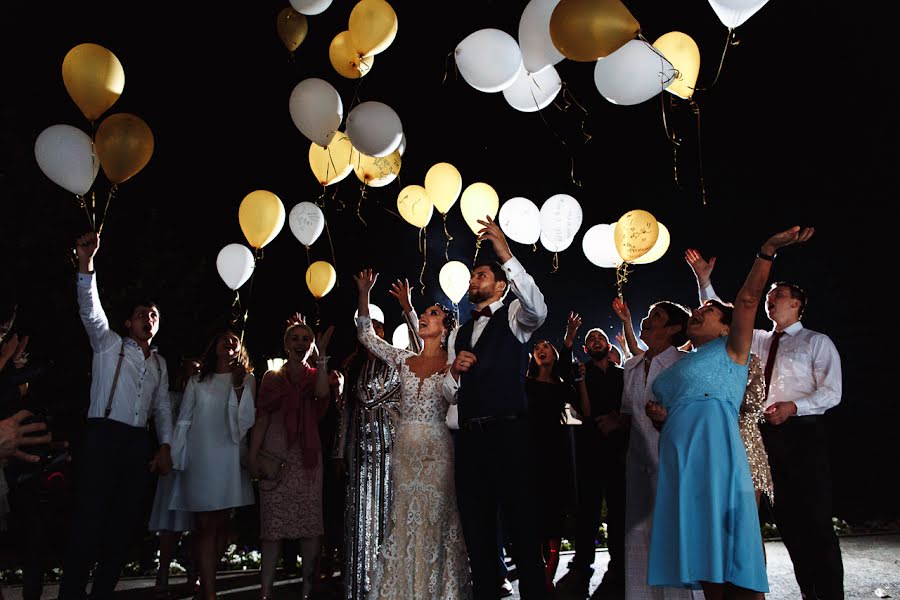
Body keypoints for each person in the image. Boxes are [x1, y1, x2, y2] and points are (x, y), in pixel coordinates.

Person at [646, 226, 814, 599]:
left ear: (727, 329)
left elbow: (749, 299)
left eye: (708, 311)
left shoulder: (732, 352)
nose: (698, 311)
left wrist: (767, 250)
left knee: (733, 542)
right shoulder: (677, 364)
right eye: (698, 308)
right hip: (680, 456)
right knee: (701, 549)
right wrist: (661, 418)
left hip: (718, 447)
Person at [686, 243, 842, 598]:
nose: (770, 298)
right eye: (769, 294)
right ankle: (808, 592)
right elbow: (728, 318)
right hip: (763, 439)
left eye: (779, 294)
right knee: (788, 527)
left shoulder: (817, 342)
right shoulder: (757, 339)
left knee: (816, 523)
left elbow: (832, 392)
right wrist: (704, 282)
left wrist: (794, 406)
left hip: (803, 435)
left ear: (797, 303)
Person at [59, 231, 174, 600]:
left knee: (122, 526)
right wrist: (86, 263)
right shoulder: (108, 345)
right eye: (141, 314)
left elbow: (161, 408)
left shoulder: (159, 363)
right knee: (88, 522)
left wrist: (166, 444)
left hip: (136, 442)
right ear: (128, 323)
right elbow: (90, 310)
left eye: (153, 315)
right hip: (102, 436)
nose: (148, 318)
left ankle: (103, 593)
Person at [443, 215, 549, 600]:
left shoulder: (515, 316)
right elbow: (449, 394)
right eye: (473, 276)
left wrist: (504, 251)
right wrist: (453, 373)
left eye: (481, 276)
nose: (473, 281)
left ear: (501, 284)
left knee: (522, 525)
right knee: (477, 526)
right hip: (470, 440)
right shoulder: (458, 332)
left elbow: (538, 309)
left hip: (509, 434)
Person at [354, 268, 471, 599]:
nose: (424, 316)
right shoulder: (404, 360)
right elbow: (367, 338)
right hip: (405, 450)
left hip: (437, 449)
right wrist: (364, 293)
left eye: (432, 314)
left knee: (437, 518)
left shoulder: (451, 365)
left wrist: (409, 307)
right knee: (406, 518)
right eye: (422, 313)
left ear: (447, 328)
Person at [334, 279, 421, 600]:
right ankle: (363, 586)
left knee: (393, 514)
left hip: (395, 448)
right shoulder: (353, 366)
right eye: (373, 327)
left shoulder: (401, 359)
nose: (376, 332)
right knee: (362, 517)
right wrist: (338, 454)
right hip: (360, 454)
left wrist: (407, 307)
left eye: (381, 327)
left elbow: (420, 343)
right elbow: (344, 413)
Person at [611, 296, 696, 600]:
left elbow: (698, 416)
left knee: (673, 537)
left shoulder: (686, 365)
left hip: (674, 465)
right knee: (639, 538)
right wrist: (612, 421)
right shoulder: (632, 366)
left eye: (656, 316)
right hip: (637, 463)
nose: (647, 320)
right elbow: (627, 414)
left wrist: (668, 416)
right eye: (647, 314)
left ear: (673, 328)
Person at [247, 318, 335, 600]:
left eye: (305, 339)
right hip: (276, 454)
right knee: (272, 528)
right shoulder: (272, 378)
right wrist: (252, 454)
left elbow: (322, 393)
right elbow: (261, 418)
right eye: (295, 339)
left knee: (309, 526)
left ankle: (307, 589)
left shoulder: (314, 376)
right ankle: (265, 592)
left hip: (307, 457)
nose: (300, 343)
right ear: (286, 345)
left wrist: (321, 356)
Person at [169, 331, 256, 600]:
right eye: (224, 339)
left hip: (229, 456)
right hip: (201, 457)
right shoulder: (197, 380)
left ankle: (206, 578)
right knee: (205, 525)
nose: (229, 343)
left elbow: (246, 422)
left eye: (235, 340)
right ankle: (209, 592)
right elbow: (184, 419)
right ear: (215, 345)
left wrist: (240, 386)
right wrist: (176, 456)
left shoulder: (248, 379)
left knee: (223, 526)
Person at [558, 312, 626, 599]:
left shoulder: (623, 375)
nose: (596, 341)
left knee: (620, 507)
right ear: (585, 349)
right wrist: (570, 337)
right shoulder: (579, 373)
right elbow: (561, 371)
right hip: (589, 448)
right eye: (591, 340)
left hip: (620, 447)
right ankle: (583, 560)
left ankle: (620, 560)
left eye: (600, 337)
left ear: (609, 346)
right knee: (588, 508)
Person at [524, 338, 578, 594]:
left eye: (545, 347)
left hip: (556, 452)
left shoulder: (563, 386)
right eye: (536, 349)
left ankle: (550, 570)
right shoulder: (525, 385)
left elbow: (584, 411)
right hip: (531, 451)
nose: (540, 350)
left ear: (554, 355)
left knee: (554, 513)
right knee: (533, 513)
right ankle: (537, 570)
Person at [147, 358, 199, 597]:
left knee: (197, 523)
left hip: (198, 467)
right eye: (191, 371)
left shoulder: (203, 399)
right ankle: (164, 570)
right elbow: (162, 426)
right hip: (175, 468)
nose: (195, 375)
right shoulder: (172, 399)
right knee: (171, 524)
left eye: (198, 371)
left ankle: (196, 571)